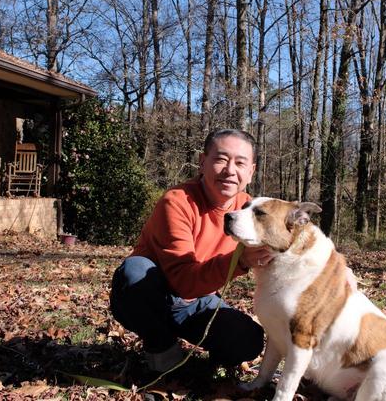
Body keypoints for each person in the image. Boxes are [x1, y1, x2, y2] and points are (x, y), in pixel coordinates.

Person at [110, 129, 273, 373]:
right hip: (155, 293)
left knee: (248, 338)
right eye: (220, 159)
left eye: (240, 163)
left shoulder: (251, 210)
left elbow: (288, 244)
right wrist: (240, 261)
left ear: (251, 172)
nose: (230, 170)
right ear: (202, 162)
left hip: (198, 300)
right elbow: (184, 281)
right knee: (135, 272)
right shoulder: (177, 202)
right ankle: (162, 347)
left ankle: (207, 365)